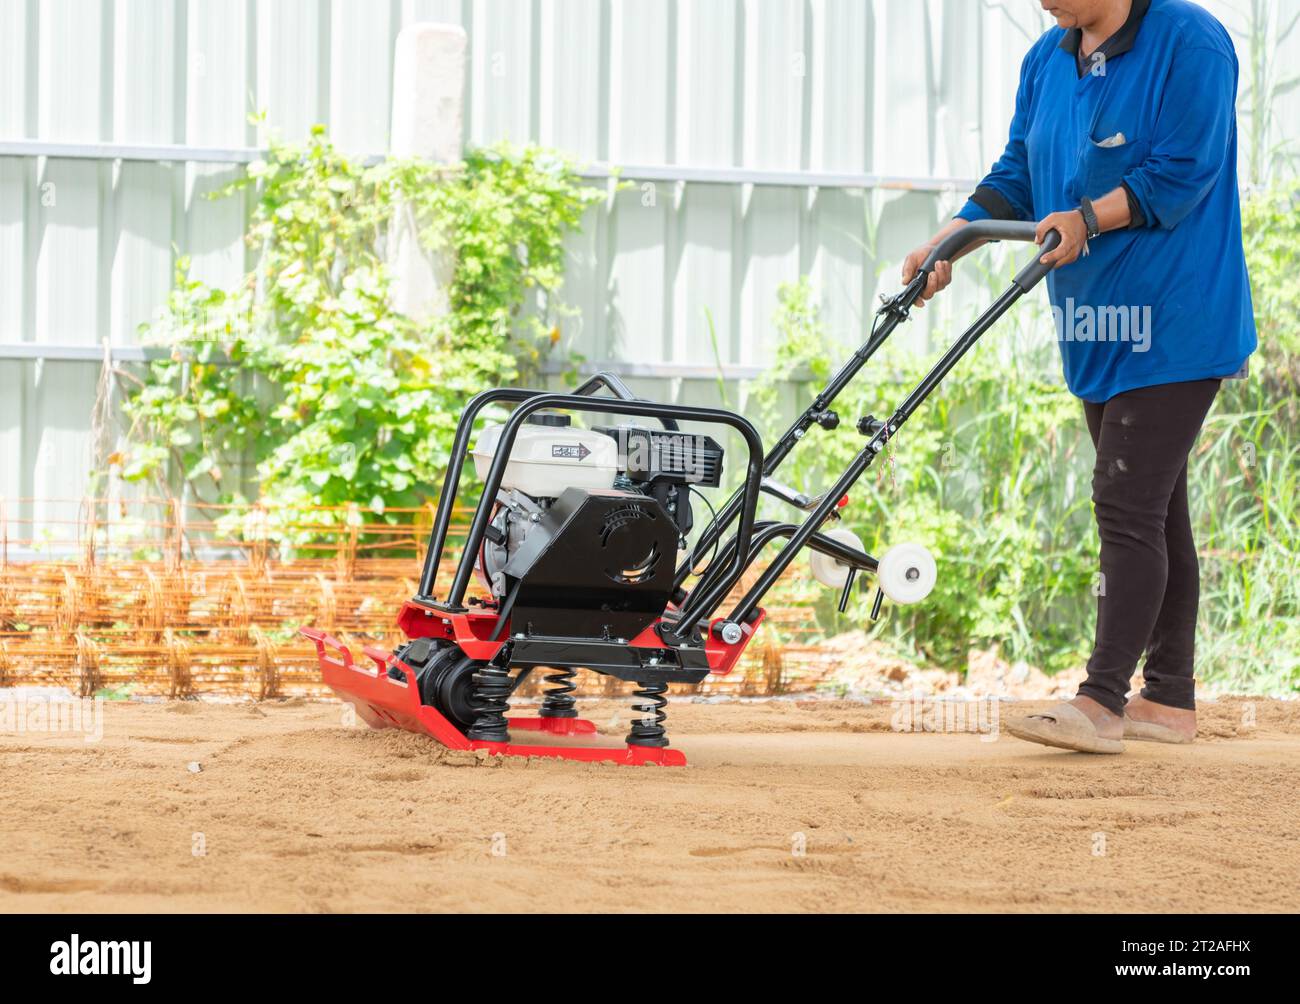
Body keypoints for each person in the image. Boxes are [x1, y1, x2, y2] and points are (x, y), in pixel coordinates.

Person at [900, 0, 1255, 753]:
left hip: (1178, 320)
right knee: (1158, 513)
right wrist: (951, 239)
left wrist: (1090, 218)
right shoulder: (1047, 59)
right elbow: (1021, 172)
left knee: (1125, 502)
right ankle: (1170, 700)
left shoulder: (1190, 42)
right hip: (1097, 326)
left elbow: (1186, 170)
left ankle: (1101, 701)